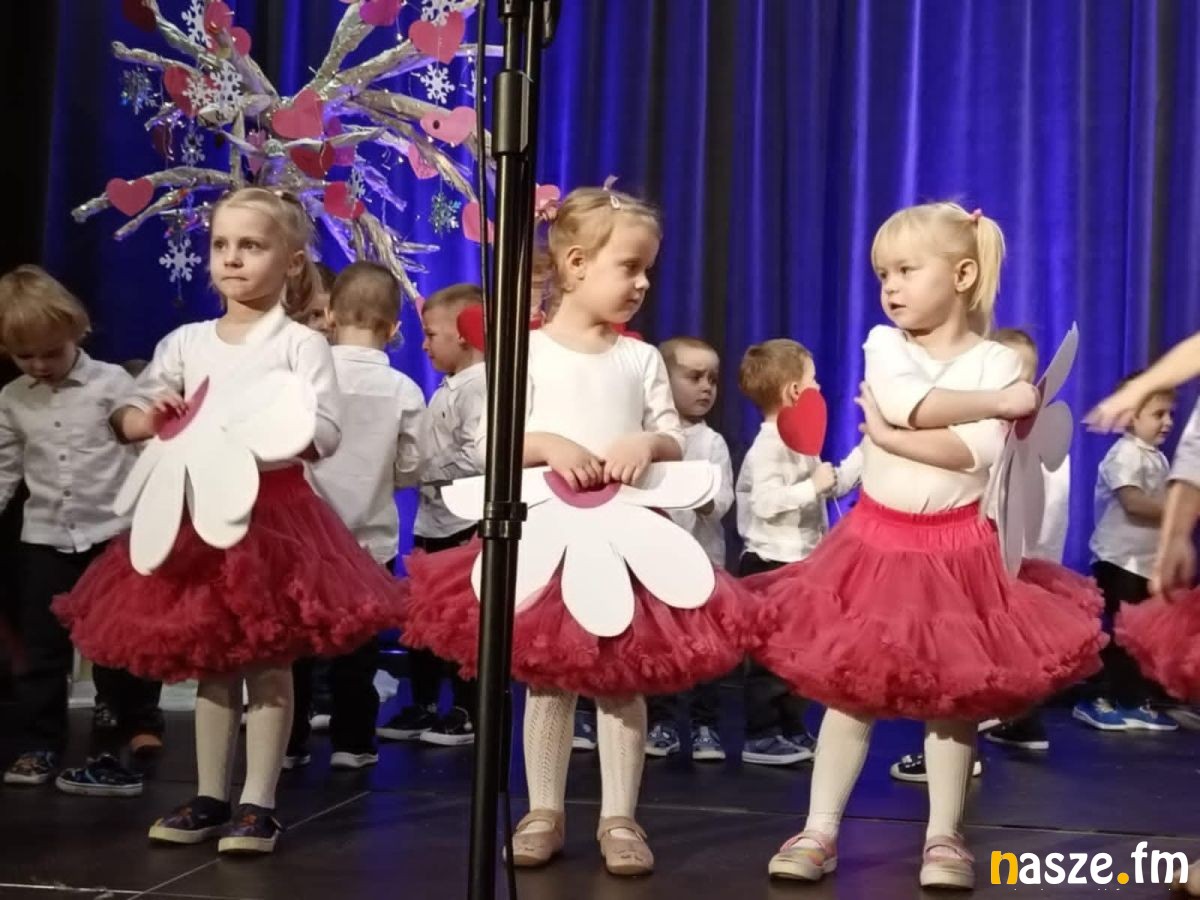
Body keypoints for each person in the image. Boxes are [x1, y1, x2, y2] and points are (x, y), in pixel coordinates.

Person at [400, 185, 753, 875]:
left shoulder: (639, 360)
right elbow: (493, 442)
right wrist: (550, 444)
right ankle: (544, 809)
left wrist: (645, 444)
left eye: (648, 269)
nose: (642, 283)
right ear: (576, 264)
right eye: (630, 267)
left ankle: (620, 815)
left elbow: (672, 436)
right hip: (548, 540)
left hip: (623, 542)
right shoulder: (527, 353)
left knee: (622, 679)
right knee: (549, 682)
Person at [751, 202, 1105, 890]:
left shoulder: (998, 359)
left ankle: (944, 835)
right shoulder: (886, 344)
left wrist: (896, 436)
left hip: (959, 551)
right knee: (850, 691)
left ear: (962, 275)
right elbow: (905, 403)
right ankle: (819, 828)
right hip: (875, 546)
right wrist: (957, 413)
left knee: (953, 700)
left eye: (907, 270)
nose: (891, 286)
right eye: (884, 273)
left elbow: (975, 453)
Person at [54, 188, 404, 855]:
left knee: (268, 664)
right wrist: (145, 419)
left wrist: (267, 434)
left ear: (292, 261)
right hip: (198, 515)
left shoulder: (301, 345)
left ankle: (258, 803)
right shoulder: (187, 342)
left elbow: (326, 431)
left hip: (273, 517)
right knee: (213, 664)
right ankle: (210, 795)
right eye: (221, 245)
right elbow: (131, 411)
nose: (232, 258)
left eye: (251, 246)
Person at [0, 265, 160, 795]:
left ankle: (135, 723)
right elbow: (5, 468)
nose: (39, 365)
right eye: (25, 356)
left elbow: (145, 448)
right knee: (42, 650)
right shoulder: (13, 399)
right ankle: (40, 742)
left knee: (121, 642)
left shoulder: (113, 384)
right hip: (46, 539)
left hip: (111, 536)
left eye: (51, 352)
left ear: (76, 332)